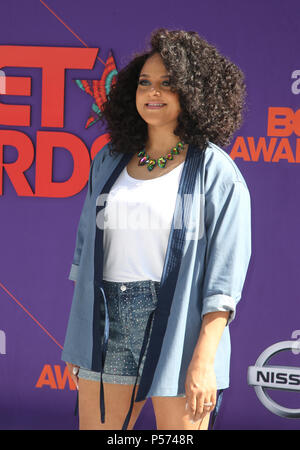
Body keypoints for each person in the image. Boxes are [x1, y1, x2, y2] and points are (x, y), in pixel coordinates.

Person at [61, 28, 252, 430]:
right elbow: (85, 257)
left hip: (179, 324)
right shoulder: (109, 161)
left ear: (193, 93)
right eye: (145, 82)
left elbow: (224, 279)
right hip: (108, 320)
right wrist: (80, 342)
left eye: (168, 84)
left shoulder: (216, 172)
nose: (154, 92)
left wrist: (204, 359)